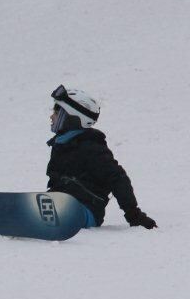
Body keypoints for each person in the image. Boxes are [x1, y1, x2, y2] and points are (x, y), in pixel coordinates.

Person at [46, 84, 156, 229]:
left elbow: (117, 178)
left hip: (86, 211)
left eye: (57, 110)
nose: (51, 115)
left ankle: (53, 217)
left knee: (63, 210)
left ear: (71, 116)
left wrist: (133, 214)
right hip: (61, 204)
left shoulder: (91, 148)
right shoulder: (61, 145)